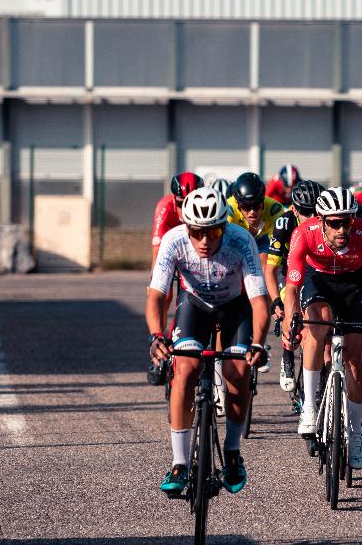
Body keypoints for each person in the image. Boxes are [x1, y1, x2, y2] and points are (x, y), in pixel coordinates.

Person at [147, 187, 269, 496]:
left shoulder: (241, 240)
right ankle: (179, 463)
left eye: (213, 232)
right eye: (197, 232)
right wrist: (156, 335)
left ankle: (232, 451)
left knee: (237, 373)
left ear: (224, 227)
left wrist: (258, 343)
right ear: (186, 227)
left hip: (234, 308)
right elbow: (157, 296)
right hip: (195, 305)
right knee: (185, 370)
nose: (205, 240)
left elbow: (259, 301)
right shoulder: (173, 240)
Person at [281, 187, 362, 470]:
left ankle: (355, 436)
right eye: (335, 223)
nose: (342, 229)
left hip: (354, 284)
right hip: (318, 280)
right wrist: (290, 320)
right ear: (321, 220)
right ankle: (309, 408)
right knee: (318, 324)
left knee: (356, 358)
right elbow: (292, 289)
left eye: (347, 221)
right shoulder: (304, 233)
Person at [263, 179, 324, 391]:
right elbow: (270, 270)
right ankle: (287, 355)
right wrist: (275, 301)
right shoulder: (284, 224)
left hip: (316, 271)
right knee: (289, 312)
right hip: (287, 270)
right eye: (306, 212)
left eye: (316, 211)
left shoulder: (328, 222)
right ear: (294, 210)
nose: (312, 217)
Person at [147, 172, 204, 385]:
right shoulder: (165, 207)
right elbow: (157, 249)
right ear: (174, 199)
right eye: (180, 203)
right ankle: (158, 348)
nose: (184, 207)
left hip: (195, 249)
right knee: (165, 295)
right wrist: (155, 281)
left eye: (191, 201)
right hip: (171, 248)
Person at [227, 171, 286, 261]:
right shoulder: (229, 208)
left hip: (263, 239)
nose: (252, 212)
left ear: (263, 201)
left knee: (264, 258)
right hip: (237, 240)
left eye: (256, 205)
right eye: (246, 207)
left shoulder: (274, 209)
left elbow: (276, 245)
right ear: (237, 204)